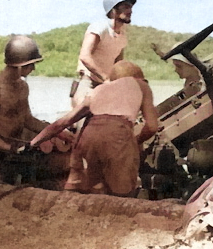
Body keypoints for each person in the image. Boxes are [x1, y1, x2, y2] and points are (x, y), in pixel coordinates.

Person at [32, 60, 159, 197]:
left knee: (84, 190)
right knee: (122, 195)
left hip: (88, 136)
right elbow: (152, 126)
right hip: (117, 135)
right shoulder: (141, 86)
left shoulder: (98, 90)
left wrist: (33, 143)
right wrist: (135, 141)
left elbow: (63, 122)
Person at [0, 35, 72, 184]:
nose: (33, 69)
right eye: (31, 64)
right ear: (20, 65)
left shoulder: (22, 86)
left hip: (12, 158)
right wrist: (13, 148)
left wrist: (58, 131)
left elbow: (27, 120)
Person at [70, 0, 137, 111]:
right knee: (83, 118)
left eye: (131, 7)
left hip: (106, 85)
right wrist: (105, 78)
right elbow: (85, 56)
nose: (130, 11)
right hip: (89, 82)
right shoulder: (99, 27)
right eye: (125, 7)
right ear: (113, 10)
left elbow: (118, 64)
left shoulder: (122, 35)